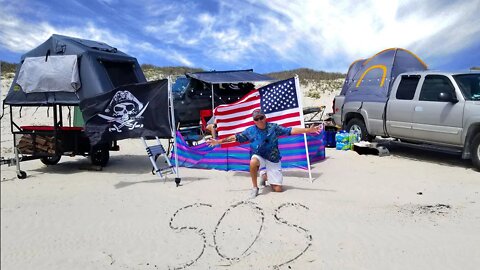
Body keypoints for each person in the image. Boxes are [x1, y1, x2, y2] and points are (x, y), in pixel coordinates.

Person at [207, 109, 322, 199]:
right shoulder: (250, 131)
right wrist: (218, 141)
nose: (260, 120)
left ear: (265, 117)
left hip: (273, 158)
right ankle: (255, 187)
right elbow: (235, 137)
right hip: (259, 156)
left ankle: (264, 176)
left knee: (277, 189)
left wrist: (308, 130)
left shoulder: (273, 128)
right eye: (257, 119)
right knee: (253, 161)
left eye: (261, 117)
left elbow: (290, 130)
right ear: (254, 121)